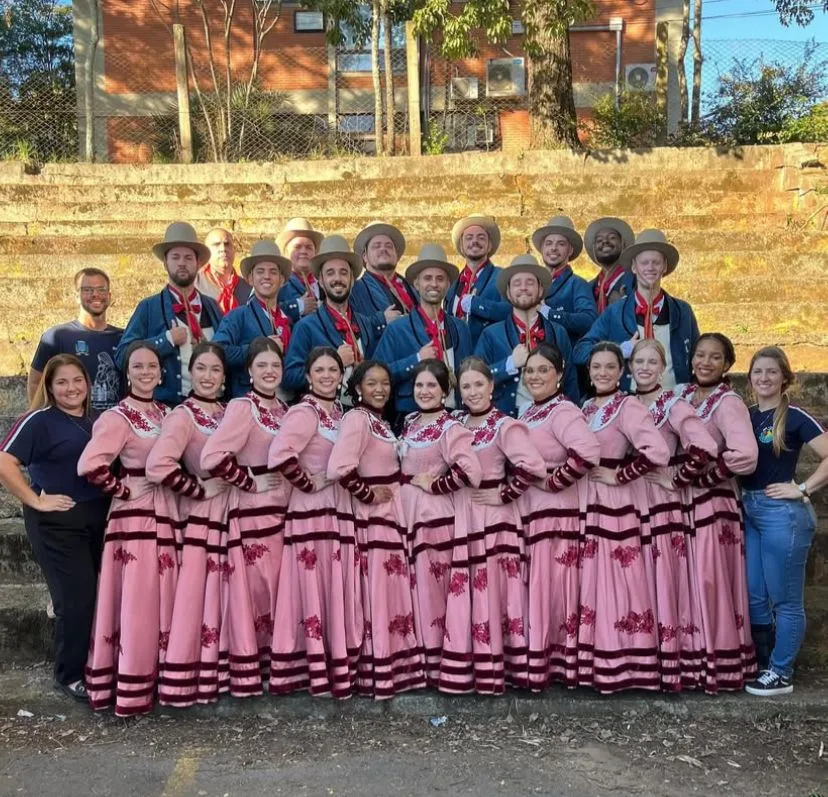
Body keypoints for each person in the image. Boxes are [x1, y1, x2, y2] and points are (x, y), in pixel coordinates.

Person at [0, 354, 109, 701]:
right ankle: (69, 673)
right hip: (57, 523)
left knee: (100, 596)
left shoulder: (100, 419)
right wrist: (35, 500)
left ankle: (98, 665)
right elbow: (4, 461)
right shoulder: (39, 420)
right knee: (76, 599)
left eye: (77, 380)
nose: (71, 388)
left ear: (87, 383)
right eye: (61, 382)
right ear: (48, 386)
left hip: (99, 518)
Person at [438, 357, 546, 694]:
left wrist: (503, 496)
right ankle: (468, 664)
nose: (472, 392)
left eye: (478, 384)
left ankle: (499, 666)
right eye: (466, 386)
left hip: (493, 519)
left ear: (491, 386)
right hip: (462, 514)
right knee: (465, 590)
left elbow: (532, 466)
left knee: (495, 591)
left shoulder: (504, 425)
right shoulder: (453, 423)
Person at [78, 342, 174, 716]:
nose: (147, 372)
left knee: (162, 596)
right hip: (135, 515)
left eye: (153, 365)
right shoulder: (119, 416)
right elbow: (90, 464)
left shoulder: (167, 413)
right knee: (139, 598)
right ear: (127, 373)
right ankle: (131, 683)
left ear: (162, 372)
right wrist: (123, 489)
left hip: (167, 509)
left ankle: (162, 679)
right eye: (138, 366)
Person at [267, 347, 362, 698]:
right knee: (313, 584)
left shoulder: (338, 413)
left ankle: (337, 664)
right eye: (319, 370)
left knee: (332, 585)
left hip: (336, 507)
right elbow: (280, 454)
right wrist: (308, 483)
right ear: (307, 376)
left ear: (341, 376)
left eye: (332, 370)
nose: (326, 376)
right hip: (312, 510)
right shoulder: (305, 412)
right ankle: (314, 670)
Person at [328, 360, 426, 698]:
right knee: (379, 594)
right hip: (374, 518)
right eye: (372, 383)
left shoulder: (378, 421)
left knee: (390, 592)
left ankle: (395, 667)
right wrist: (369, 495)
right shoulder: (356, 419)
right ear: (357, 389)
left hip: (390, 516)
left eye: (385, 382)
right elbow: (340, 467)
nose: (380, 388)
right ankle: (378, 669)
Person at [578, 342, 670, 694]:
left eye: (609, 367)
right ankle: (596, 661)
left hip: (615, 502)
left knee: (618, 579)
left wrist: (620, 475)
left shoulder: (628, 406)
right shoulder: (586, 408)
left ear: (621, 372)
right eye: (596, 367)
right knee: (594, 580)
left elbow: (657, 451)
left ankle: (627, 662)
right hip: (588, 500)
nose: (602, 373)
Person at [200, 337, 288, 696]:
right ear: (249, 371)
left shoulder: (285, 408)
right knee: (255, 589)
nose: (269, 372)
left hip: (283, 512)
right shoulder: (242, 407)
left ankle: (277, 665)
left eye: (275, 366)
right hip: (253, 512)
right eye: (262, 365)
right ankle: (248, 669)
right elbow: (212, 457)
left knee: (278, 589)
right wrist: (249, 481)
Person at [629, 339, 718, 691]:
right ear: (630, 366)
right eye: (639, 361)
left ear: (664, 368)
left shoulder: (673, 405)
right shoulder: (623, 404)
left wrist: (677, 478)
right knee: (637, 582)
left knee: (663, 579)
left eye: (653, 362)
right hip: (630, 502)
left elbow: (705, 446)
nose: (645, 368)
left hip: (662, 501)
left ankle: (672, 663)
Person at [741, 346, 828, 696]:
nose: (764, 378)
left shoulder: (794, 416)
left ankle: (782, 671)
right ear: (749, 379)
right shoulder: (745, 415)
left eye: (771, 372)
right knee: (755, 594)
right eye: (758, 372)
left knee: (785, 598)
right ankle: (763, 663)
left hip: (783, 514)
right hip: (749, 509)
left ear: (785, 377)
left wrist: (803, 488)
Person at [149, 342, 232, 707]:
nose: (209, 377)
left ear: (225, 378)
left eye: (216, 370)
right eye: (202, 369)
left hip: (235, 512)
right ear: (190, 374)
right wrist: (197, 488)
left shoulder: (232, 411)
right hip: (202, 515)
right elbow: (158, 466)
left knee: (231, 595)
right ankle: (193, 678)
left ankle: (233, 670)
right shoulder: (183, 416)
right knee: (201, 596)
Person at [676, 333, 759, 693]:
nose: (705, 363)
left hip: (712, 503)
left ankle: (719, 664)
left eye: (714, 358)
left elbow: (745, 453)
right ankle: (691, 661)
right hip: (680, 501)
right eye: (700, 355)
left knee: (709, 580)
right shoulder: (681, 395)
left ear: (727, 365)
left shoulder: (727, 403)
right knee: (687, 581)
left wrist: (707, 477)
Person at [517, 344, 600, 690]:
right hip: (533, 509)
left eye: (543, 370)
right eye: (530, 371)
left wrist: (554, 482)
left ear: (559, 375)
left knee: (557, 584)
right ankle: (542, 659)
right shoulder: (528, 412)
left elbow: (587, 452)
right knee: (540, 584)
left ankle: (563, 663)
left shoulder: (563, 410)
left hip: (557, 511)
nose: (535, 376)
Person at [398, 359, 482, 687]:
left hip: (435, 522)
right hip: (408, 521)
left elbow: (470, 471)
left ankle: (441, 667)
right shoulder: (410, 422)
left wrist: (434, 485)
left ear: (445, 392)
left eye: (432, 385)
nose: (424, 391)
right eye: (419, 385)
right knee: (416, 591)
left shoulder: (451, 428)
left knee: (435, 594)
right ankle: (421, 663)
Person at [573, 229, 698, 392]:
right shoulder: (614, 312)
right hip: (629, 403)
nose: (650, 268)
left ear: (665, 267)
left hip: (673, 401)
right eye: (644, 263)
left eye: (656, 262)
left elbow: (698, 356)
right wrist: (619, 350)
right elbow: (580, 352)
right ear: (633, 267)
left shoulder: (683, 311)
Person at [117, 222, 223, 406]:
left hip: (211, 406)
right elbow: (123, 356)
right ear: (165, 262)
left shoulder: (212, 306)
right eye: (175, 257)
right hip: (167, 407)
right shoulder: (148, 307)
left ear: (198, 263)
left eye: (188, 258)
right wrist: (166, 340)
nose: (182, 263)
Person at [373, 243, 472, 419]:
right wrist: (416, 360)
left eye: (440, 279)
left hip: (455, 417)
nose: (433, 284)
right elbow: (377, 375)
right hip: (410, 416)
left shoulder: (460, 328)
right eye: (427, 278)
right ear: (417, 284)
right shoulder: (397, 329)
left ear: (448, 285)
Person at [283, 235, 384, 404]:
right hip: (324, 417)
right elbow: (290, 377)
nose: (337, 279)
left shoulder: (365, 323)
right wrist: (334, 362)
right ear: (321, 281)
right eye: (330, 273)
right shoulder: (306, 326)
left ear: (352, 280)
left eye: (343, 272)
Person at [474, 254, 578, 413]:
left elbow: (570, 382)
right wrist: (509, 364)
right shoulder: (490, 334)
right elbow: (475, 380)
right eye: (517, 283)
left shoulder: (558, 332)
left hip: (551, 422)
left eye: (530, 282)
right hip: (506, 424)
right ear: (508, 292)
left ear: (540, 290)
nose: (523, 287)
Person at [28, 268, 123, 411]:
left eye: (101, 290)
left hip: (114, 426)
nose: (95, 294)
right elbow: (35, 382)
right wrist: (43, 419)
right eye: (87, 290)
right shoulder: (57, 336)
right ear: (77, 296)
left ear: (109, 296)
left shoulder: (124, 337)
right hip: (72, 426)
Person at [212, 240, 293, 398]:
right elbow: (217, 351)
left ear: (282, 280)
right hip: (248, 403)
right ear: (250, 279)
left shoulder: (289, 320)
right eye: (260, 271)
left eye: (273, 272)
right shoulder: (238, 315)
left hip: (286, 404)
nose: (267, 277)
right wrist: (257, 349)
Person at [444, 214, 511, 344]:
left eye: (481, 238)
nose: (474, 241)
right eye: (469, 238)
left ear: (489, 246)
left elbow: (511, 311)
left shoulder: (502, 276)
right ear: (462, 247)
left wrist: (476, 304)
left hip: (489, 356)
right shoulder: (452, 283)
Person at [531, 215, 596, 344]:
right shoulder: (532, 283)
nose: (553, 248)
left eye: (561, 244)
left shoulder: (578, 284)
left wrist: (549, 313)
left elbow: (589, 320)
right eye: (548, 243)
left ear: (570, 250)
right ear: (542, 249)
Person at [350, 220, 415, 324]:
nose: (383, 249)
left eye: (389, 246)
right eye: (376, 246)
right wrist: (380, 321)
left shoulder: (412, 287)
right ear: (365, 256)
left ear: (396, 255)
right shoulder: (354, 291)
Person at [583, 217, 636, 313]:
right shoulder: (588, 288)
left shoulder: (636, 281)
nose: (605, 242)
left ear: (623, 244)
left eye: (612, 237)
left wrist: (623, 306)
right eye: (599, 240)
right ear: (594, 249)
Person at [276, 218, 324, 323]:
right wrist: (298, 306)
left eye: (309, 247)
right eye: (297, 247)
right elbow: (263, 311)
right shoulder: (276, 281)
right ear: (286, 252)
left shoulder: (323, 282)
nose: (303, 251)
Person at [195, 227, 251, 312]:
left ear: (234, 249)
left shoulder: (248, 289)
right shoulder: (194, 285)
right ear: (207, 250)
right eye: (216, 244)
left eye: (227, 244)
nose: (223, 249)